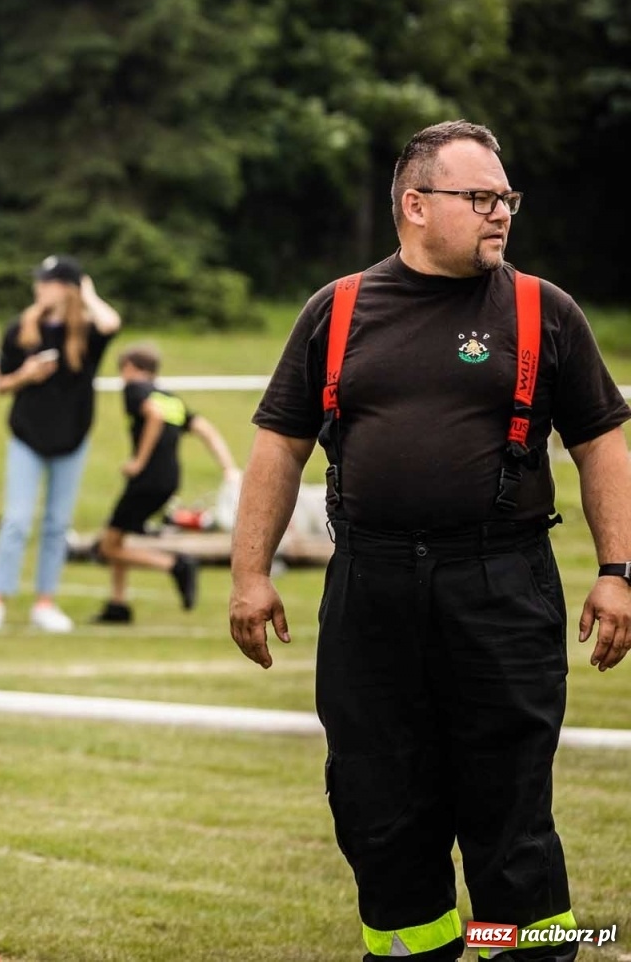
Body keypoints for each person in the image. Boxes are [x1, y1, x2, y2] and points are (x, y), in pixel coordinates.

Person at [230, 120, 631, 962]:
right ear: (414, 205)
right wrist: (249, 574)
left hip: (500, 583)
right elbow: (278, 444)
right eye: (481, 198)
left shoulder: (543, 309)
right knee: (379, 806)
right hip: (369, 586)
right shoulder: (335, 310)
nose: (502, 215)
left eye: (506, 198)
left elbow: (604, 446)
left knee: (508, 810)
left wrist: (618, 572)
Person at [0, 256, 121, 633]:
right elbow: (1, 384)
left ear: (67, 287)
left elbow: (111, 323)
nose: (40, 287)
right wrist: (27, 374)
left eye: (49, 281)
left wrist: (88, 293)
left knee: (57, 525)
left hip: (72, 439)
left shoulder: (86, 332)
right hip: (27, 436)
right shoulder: (21, 329)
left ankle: (45, 602)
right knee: (17, 522)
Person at [89, 343, 236, 623]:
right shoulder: (172, 399)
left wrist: (138, 461)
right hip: (168, 480)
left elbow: (153, 417)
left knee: (107, 546)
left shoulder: (135, 388)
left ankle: (176, 565)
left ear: (130, 367)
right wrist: (228, 468)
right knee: (117, 535)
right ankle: (117, 605)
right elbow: (206, 430)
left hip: (147, 479)